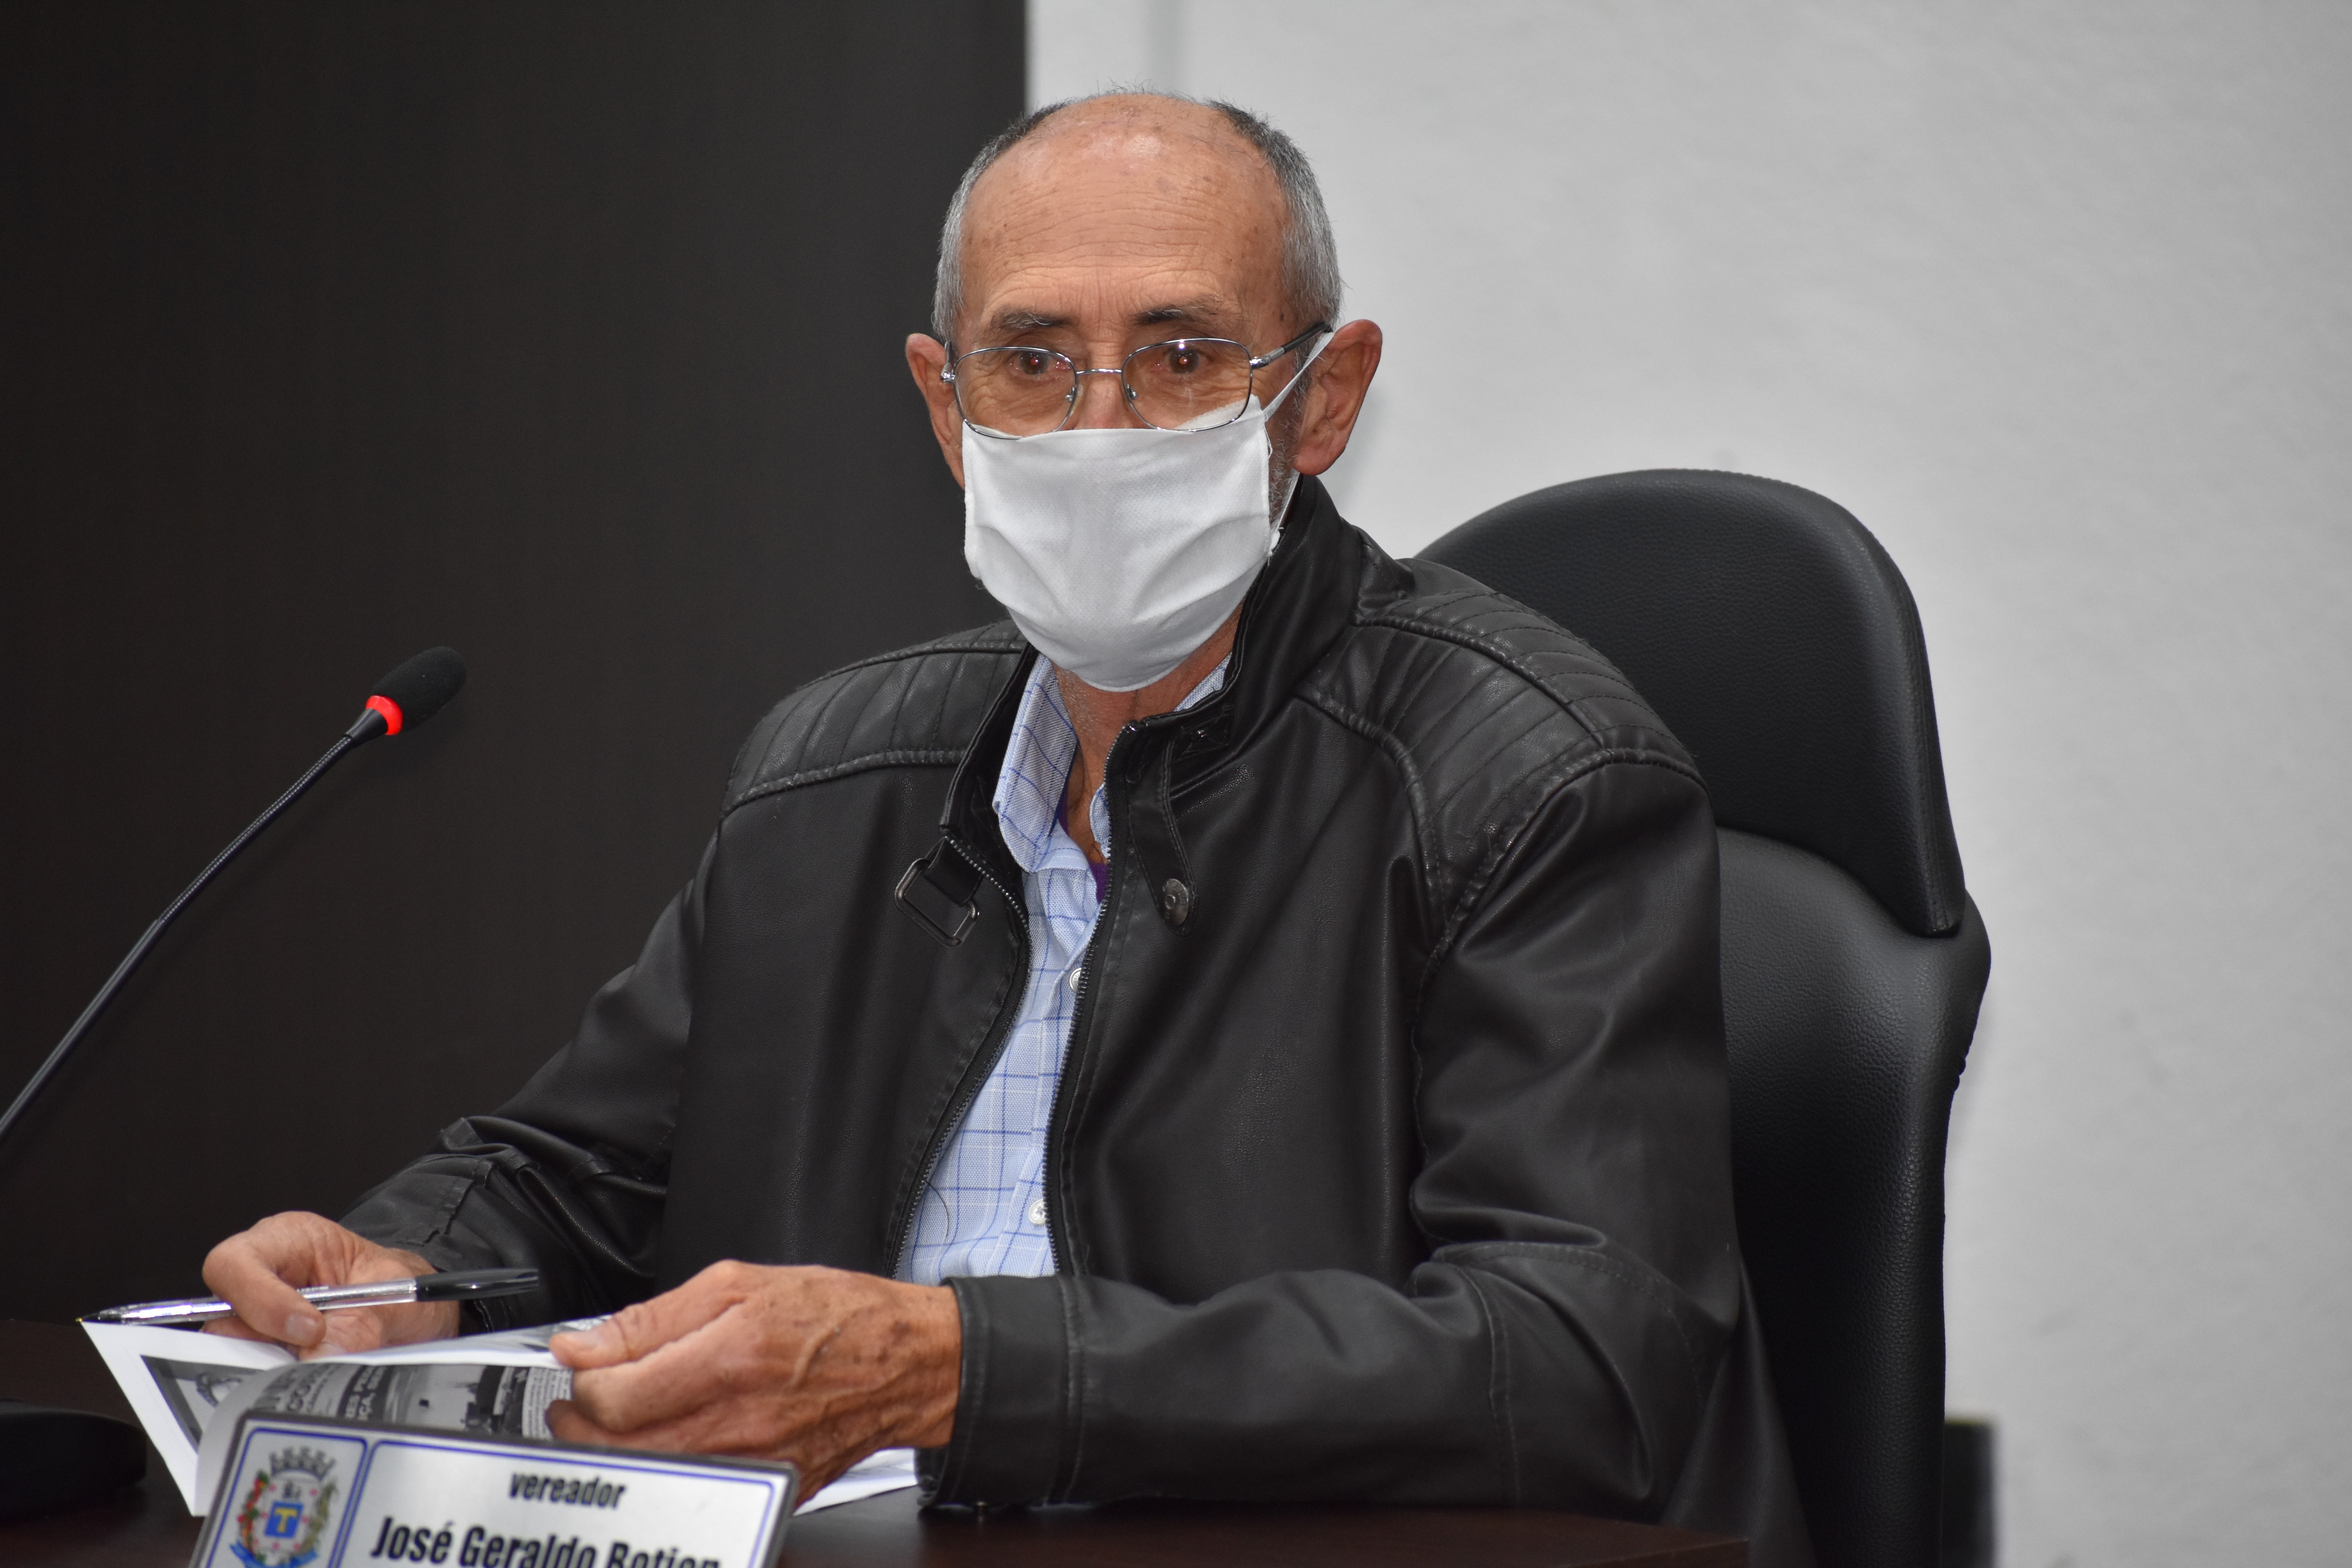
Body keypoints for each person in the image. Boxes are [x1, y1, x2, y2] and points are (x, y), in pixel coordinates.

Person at [201, 92, 1810, 1564]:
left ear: (1321, 401)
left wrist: (965, 1375)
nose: (1101, 427)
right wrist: (399, 1269)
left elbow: (1576, 1360)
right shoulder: (833, 775)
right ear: (946, 405)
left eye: (1184, 357)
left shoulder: (1533, 777)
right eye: (1031, 361)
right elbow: (577, 1177)